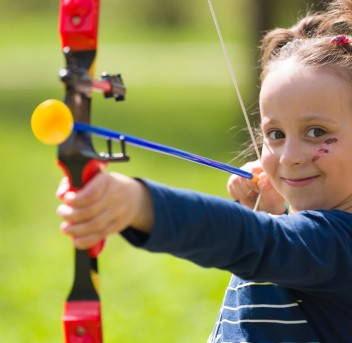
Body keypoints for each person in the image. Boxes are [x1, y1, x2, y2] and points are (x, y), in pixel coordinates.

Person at [56, 0, 352, 341]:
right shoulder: (301, 241)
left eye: (316, 132)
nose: (289, 157)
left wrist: (139, 203)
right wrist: (270, 212)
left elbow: (254, 242)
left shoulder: (338, 246)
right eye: (275, 134)